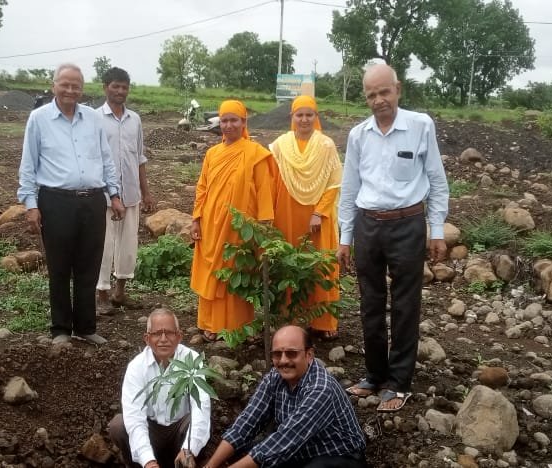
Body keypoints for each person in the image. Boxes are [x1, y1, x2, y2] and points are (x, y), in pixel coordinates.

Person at [336, 63, 449, 413]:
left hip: (407, 224)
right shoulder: (359, 135)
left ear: (397, 89)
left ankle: (399, 382)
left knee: (405, 305)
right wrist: (346, 236)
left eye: (384, 92)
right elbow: (350, 187)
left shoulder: (420, 126)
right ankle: (373, 375)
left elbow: (437, 181)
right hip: (369, 226)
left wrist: (437, 230)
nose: (378, 100)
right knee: (370, 302)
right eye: (371, 95)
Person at [17, 63, 126, 346]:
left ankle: (87, 327)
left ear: (82, 88)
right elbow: (28, 164)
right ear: (54, 85)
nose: (70, 90)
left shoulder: (92, 119)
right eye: (64, 84)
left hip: (92, 200)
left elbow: (105, 159)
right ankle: (61, 328)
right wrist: (31, 204)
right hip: (55, 202)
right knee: (60, 267)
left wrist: (114, 195)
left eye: (75, 85)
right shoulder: (39, 119)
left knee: (89, 266)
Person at [204, 326, 367, 468]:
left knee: (261, 456)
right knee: (241, 451)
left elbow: (284, 440)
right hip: (300, 449)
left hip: (339, 455)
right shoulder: (274, 378)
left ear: (309, 355)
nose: (283, 361)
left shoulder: (321, 389)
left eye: (291, 353)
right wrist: (210, 466)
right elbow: (246, 423)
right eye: (277, 354)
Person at [190, 100, 277, 342]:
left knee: (234, 272)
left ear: (243, 122)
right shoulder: (212, 154)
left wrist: (263, 227)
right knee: (211, 272)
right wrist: (196, 219)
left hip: (241, 228)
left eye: (233, 120)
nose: (228, 125)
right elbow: (202, 188)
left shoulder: (255, 153)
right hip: (210, 224)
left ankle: (237, 325)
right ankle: (210, 323)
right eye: (224, 120)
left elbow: (264, 192)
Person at [269, 96, 343, 340]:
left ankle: (323, 321)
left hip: (316, 218)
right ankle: (290, 320)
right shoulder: (280, 145)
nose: (304, 119)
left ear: (316, 117)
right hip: (287, 214)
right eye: (299, 115)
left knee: (320, 265)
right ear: (292, 117)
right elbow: (270, 178)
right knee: (289, 262)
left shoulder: (326, 145)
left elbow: (334, 184)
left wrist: (318, 212)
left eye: (309, 114)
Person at [108, 309, 212, 468]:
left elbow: (201, 407)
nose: (163, 339)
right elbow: (134, 417)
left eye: (169, 333)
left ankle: (187, 461)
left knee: (198, 420)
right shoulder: (137, 367)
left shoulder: (192, 360)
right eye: (157, 333)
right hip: (152, 433)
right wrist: (148, 461)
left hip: (179, 431)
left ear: (179, 336)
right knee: (119, 425)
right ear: (147, 339)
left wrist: (189, 449)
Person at [95, 67, 155, 311]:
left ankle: (120, 292)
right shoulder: (94, 118)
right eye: (115, 86)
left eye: (124, 87)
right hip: (103, 196)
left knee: (128, 245)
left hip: (131, 193)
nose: (120, 91)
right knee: (104, 245)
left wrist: (146, 192)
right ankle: (102, 296)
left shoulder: (135, 120)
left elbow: (139, 157)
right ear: (105, 87)